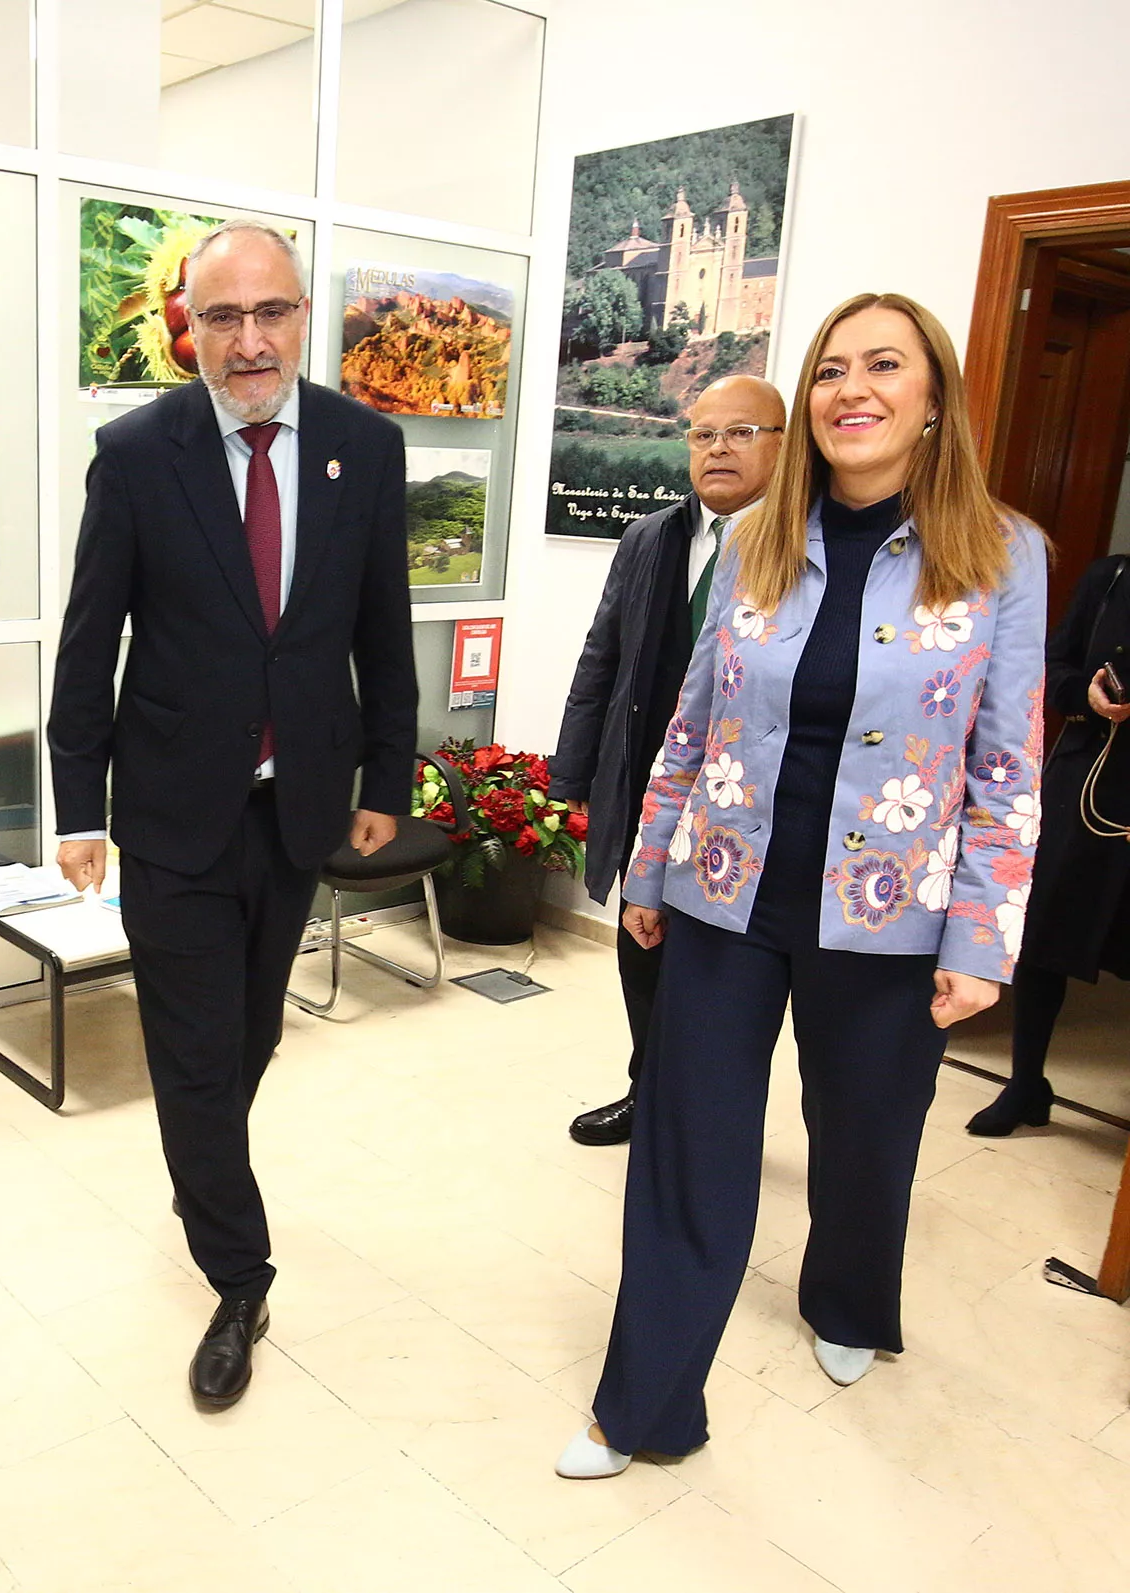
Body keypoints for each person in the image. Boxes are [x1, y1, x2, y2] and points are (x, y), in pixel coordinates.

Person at [555, 292, 1047, 1479]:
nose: (852, 390)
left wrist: (981, 939)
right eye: (830, 370)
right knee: (690, 1144)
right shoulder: (759, 538)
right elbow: (694, 716)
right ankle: (647, 1406)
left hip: (891, 917)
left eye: (884, 366)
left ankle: (848, 1302)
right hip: (730, 897)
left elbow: (1008, 759)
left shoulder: (1002, 552)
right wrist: (653, 864)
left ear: (934, 401)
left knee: (866, 1140)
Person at [48, 219, 416, 1410]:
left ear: (304, 316)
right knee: (196, 1055)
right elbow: (91, 637)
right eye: (222, 317)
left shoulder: (363, 445)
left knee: (247, 1037)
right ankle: (240, 1274)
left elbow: (378, 632)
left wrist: (383, 784)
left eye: (271, 313)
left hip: (296, 805)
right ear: (188, 328)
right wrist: (76, 803)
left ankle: (199, 1164)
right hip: (167, 811)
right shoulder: (138, 452)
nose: (248, 340)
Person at [551, 375, 785, 1146]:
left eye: (741, 432)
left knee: (720, 977)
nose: (717, 448)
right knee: (639, 949)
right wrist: (573, 778)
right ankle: (646, 1091)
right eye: (702, 433)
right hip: (648, 794)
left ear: (785, 446)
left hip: (743, 809)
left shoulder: (799, 546)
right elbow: (601, 659)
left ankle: (705, 1120)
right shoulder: (651, 537)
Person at [967, 554, 1130, 1136]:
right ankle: (1026, 1084)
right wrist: (1084, 693)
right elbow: (1051, 666)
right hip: (1085, 791)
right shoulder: (1110, 577)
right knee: (1042, 942)